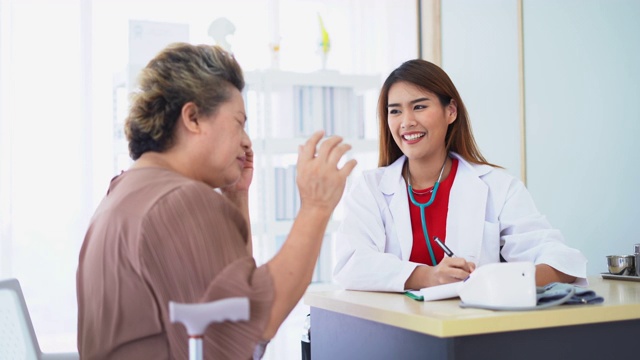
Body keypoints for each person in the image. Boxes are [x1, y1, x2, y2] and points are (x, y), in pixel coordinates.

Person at [76, 43, 356, 359]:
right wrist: (316, 207)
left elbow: (231, 291)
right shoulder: (178, 200)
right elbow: (255, 324)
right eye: (239, 122)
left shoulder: (126, 189)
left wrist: (236, 196)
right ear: (193, 117)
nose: (246, 141)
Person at [333, 59, 586, 293]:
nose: (406, 122)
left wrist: (496, 280)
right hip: (397, 333)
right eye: (395, 111)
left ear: (451, 111)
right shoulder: (370, 188)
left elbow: (559, 259)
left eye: (419, 106)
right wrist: (428, 276)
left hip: (471, 331)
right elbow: (351, 264)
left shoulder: (498, 187)